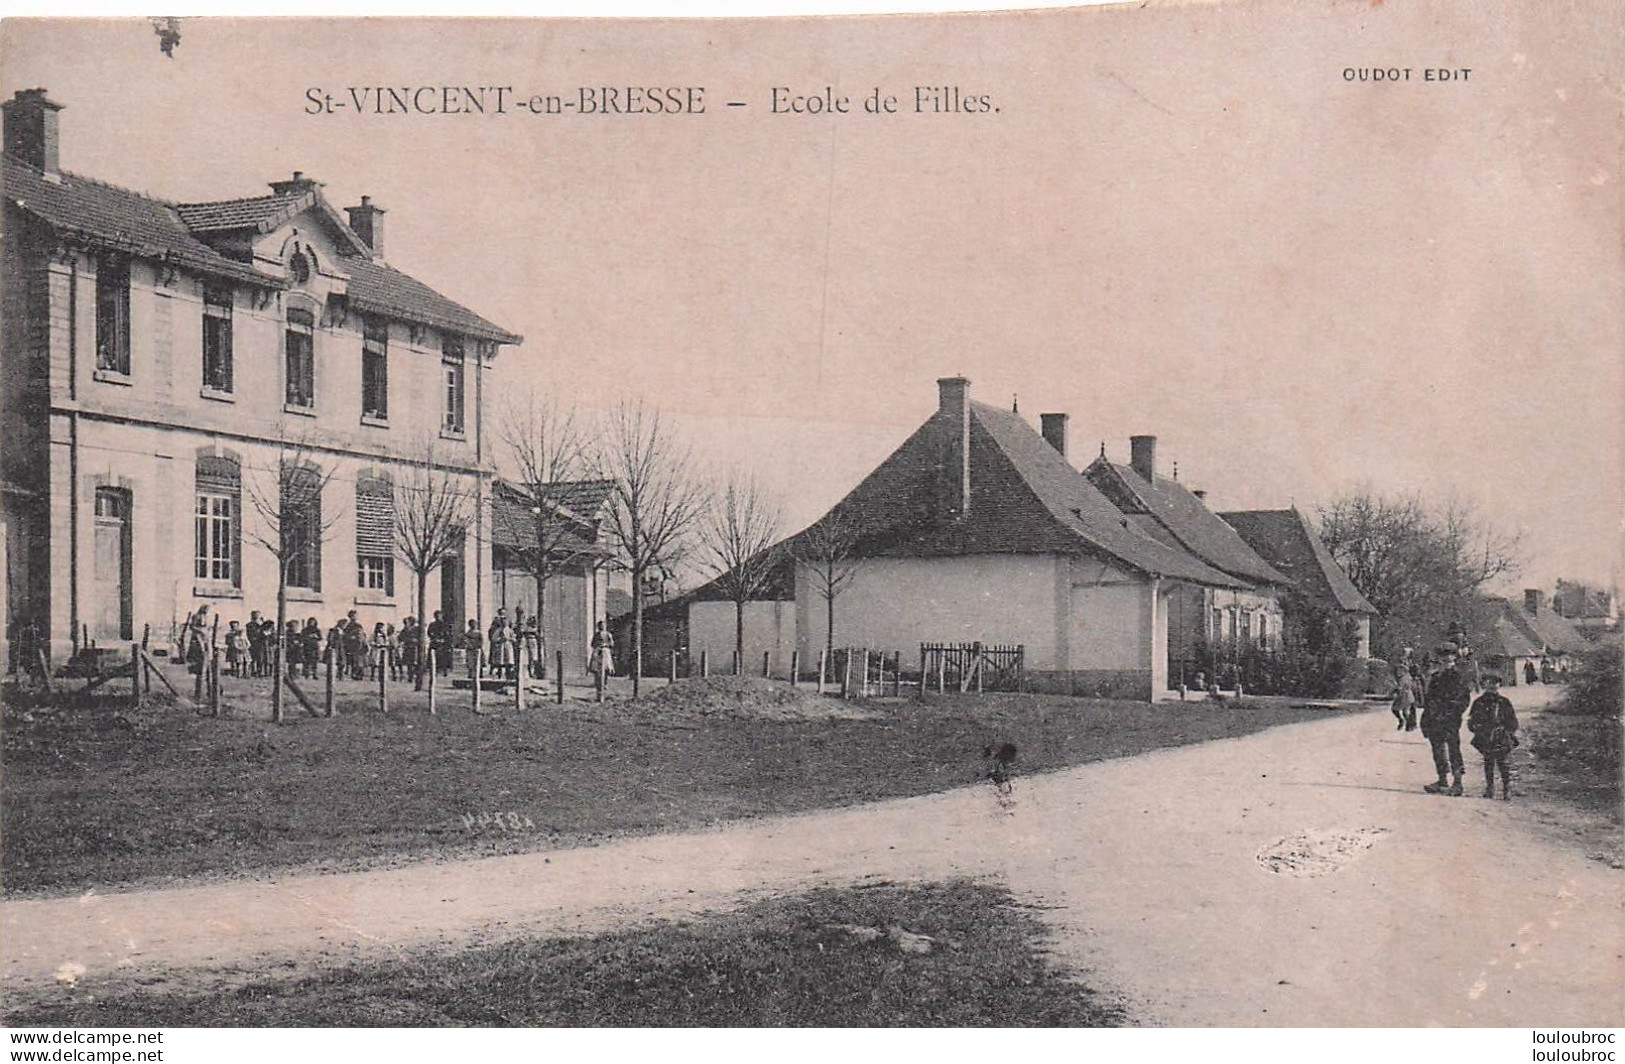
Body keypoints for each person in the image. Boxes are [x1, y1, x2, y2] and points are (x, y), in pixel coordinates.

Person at [1421, 642, 1473, 796]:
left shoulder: (1458, 676)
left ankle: (1457, 783)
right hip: (1434, 718)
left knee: (1453, 749)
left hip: (1450, 719)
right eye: (1443, 655)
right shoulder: (1436, 676)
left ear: (1454, 657)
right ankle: (1442, 780)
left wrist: (1453, 712)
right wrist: (1427, 717)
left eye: (1449, 655)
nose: (1446, 658)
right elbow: (1429, 699)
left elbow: (1464, 699)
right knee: (1437, 749)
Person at [1467, 673, 1519, 800]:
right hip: (1485, 736)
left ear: (1499, 685)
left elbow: (1513, 721)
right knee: (1488, 762)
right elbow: (1472, 721)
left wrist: (1507, 731)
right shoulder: (1478, 702)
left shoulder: (1504, 702)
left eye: (1495, 683)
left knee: (1503, 763)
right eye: (1489, 683)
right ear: (1484, 685)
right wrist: (1478, 730)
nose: (1492, 686)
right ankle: (1490, 787)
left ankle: (1507, 788)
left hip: (1501, 736)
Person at [1390, 650, 1418, 732]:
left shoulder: (1405, 677)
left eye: (1400, 670)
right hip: (1406, 695)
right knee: (1402, 710)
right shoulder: (1405, 676)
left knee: (1403, 711)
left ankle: (1409, 723)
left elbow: (1400, 687)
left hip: (1405, 695)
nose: (1398, 672)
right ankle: (1408, 723)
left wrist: (1394, 690)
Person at [488, 608, 513, 680]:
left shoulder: (508, 629)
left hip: (507, 645)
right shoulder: (496, 629)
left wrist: (510, 639)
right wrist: (499, 639)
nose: (503, 621)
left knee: (508, 660)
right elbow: (493, 637)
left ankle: (508, 674)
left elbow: (512, 636)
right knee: (499, 661)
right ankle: (499, 673)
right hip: (499, 646)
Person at [427, 610, 454, 677]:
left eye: (438, 616)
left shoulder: (445, 624)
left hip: (443, 643)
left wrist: (443, 639)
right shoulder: (432, 624)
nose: (437, 617)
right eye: (436, 616)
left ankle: (445, 670)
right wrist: (433, 637)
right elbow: (429, 632)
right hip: (435, 642)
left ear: (441, 616)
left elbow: (448, 634)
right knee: (433, 656)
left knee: (444, 657)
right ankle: (435, 670)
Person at [343, 611, 367, 680]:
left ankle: (360, 674)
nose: (355, 617)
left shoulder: (359, 625)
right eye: (353, 616)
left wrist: (363, 641)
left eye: (356, 615)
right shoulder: (348, 626)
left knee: (360, 661)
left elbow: (362, 634)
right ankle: (354, 674)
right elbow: (345, 635)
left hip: (360, 645)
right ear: (350, 617)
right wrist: (351, 637)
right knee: (354, 660)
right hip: (353, 645)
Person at [246, 610, 267, 677]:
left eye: (257, 615)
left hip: (261, 643)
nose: (256, 616)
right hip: (253, 643)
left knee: (260, 658)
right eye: (254, 615)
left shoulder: (263, 624)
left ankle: (260, 671)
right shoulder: (249, 625)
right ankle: (253, 671)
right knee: (253, 658)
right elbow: (249, 634)